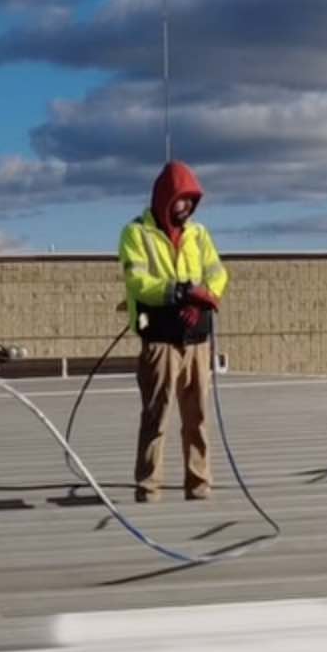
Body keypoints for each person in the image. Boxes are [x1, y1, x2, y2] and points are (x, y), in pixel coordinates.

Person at [119, 160, 229, 503]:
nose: (185, 208)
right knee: (157, 416)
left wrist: (203, 299)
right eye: (180, 200)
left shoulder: (199, 234)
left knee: (196, 417)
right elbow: (139, 283)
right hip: (161, 340)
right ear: (164, 198)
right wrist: (180, 292)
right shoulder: (136, 233)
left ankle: (199, 484)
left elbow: (218, 273)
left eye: (190, 201)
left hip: (197, 339)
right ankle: (148, 487)